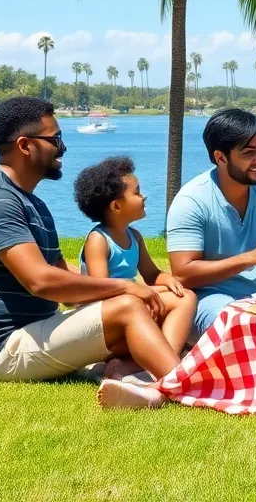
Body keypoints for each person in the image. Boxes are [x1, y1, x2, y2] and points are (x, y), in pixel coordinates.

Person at [0, 97, 177, 410]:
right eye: (55, 139)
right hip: (4, 350)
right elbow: (41, 281)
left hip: (40, 330)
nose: (63, 147)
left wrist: (141, 291)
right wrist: (124, 288)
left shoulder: (32, 203)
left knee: (165, 301)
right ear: (25, 145)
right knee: (128, 306)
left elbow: (61, 271)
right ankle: (189, 387)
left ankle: (140, 376)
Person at [167, 109, 256, 342]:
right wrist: (253, 257)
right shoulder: (192, 200)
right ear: (220, 158)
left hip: (254, 297)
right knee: (242, 324)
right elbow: (183, 274)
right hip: (204, 302)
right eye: (248, 152)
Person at [74, 156, 197, 373]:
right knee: (184, 300)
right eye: (137, 192)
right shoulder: (98, 240)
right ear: (116, 206)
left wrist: (167, 279)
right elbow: (101, 289)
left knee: (185, 296)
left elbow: (151, 274)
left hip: (128, 304)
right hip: (106, 318)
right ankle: (164, 364)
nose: (144, 196)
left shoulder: (135, 237)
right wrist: (141, 295)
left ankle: (156, 361)